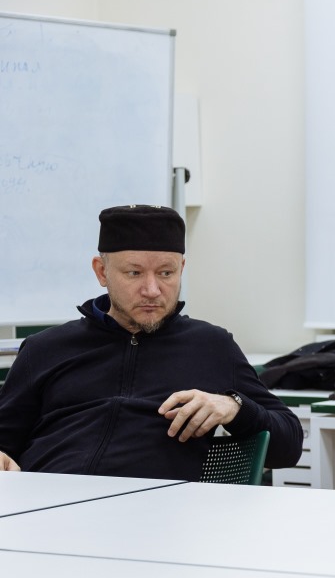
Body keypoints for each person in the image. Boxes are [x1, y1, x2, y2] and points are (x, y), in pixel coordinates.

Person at [0, 205, 302, 479]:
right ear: (102, 271)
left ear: (182, 269)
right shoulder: (45, 348)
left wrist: (235, 407)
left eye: (166, 273)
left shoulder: (211, 346)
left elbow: (288, 446)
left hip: (156, 511)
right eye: (134, 273)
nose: (152, 290)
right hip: (46, 504)